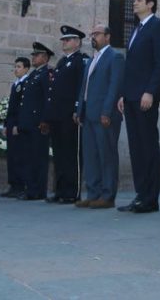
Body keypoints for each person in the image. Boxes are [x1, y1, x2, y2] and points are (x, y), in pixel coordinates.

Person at [118, 0, 160, 214]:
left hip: (145, 96)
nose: (134, 4)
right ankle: (140, 195)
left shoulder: (158, 26)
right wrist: (122, 93)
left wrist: (150, 91)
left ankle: (150, 199)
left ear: (150, 4)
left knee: (148, 145)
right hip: (130, 96)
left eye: (139, 0)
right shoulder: (136, 30)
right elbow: (131, 66)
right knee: (136, 147)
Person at [75, 24, 125, 209]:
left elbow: (115, 86)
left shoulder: (115, 57)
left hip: (105, 114)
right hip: (88, 114)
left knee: (107, 155)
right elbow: (84, 88)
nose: (93, 37)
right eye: (92, 34)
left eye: (96, 34)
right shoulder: (91, 60)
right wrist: (79, 110)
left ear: (108, 36)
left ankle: (107, 195)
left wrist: (107, 111)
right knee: (91, 155)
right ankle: (93, 193)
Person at [43, 25, 89, 204]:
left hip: (70, 115)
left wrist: (78, 110)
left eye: (68, 39)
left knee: (72, 154)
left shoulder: (81, 61)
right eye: (63, 40)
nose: (64, 42)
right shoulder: (62, 62)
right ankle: (60, 190)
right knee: (60, 154)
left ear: (77, 42)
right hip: (57, 115)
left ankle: (72, 192)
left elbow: (81, 87)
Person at [16, 42, 53, 200]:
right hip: (28, 122)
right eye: (33, 55)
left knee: (38, 158)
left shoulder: (46, 74)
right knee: (29, 157)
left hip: (38, 123)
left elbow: (48, 98)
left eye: (36, 55)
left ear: (45, 57)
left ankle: (38, 190)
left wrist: (45, 120)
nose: (34, 57)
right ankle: (30, 188)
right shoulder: (33, 74)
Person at [0, 57, 30, 198]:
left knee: (20, 156)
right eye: (15, 66)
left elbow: (23, 108)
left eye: (19, 67)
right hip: (11, 122)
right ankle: (13, 184)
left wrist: (18, 124)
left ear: (26, 69)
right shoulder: (15, 84)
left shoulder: (26, 83)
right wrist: (6, 124)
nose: (16, 69)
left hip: (19, 123)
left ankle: (21, 185)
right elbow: (11, 107)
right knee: (11, 155)